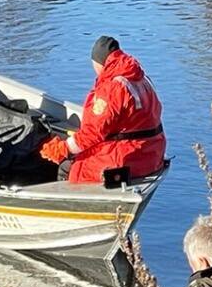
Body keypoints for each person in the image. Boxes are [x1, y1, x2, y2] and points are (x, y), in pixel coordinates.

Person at [54, 35, 166, 185]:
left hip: (124, 159)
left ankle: (69, 202)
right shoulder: (142, 79)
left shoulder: (112, 87)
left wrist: (63, 148)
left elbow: (93, 132)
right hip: (151, 154)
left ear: (99, 63)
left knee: (69, 166)